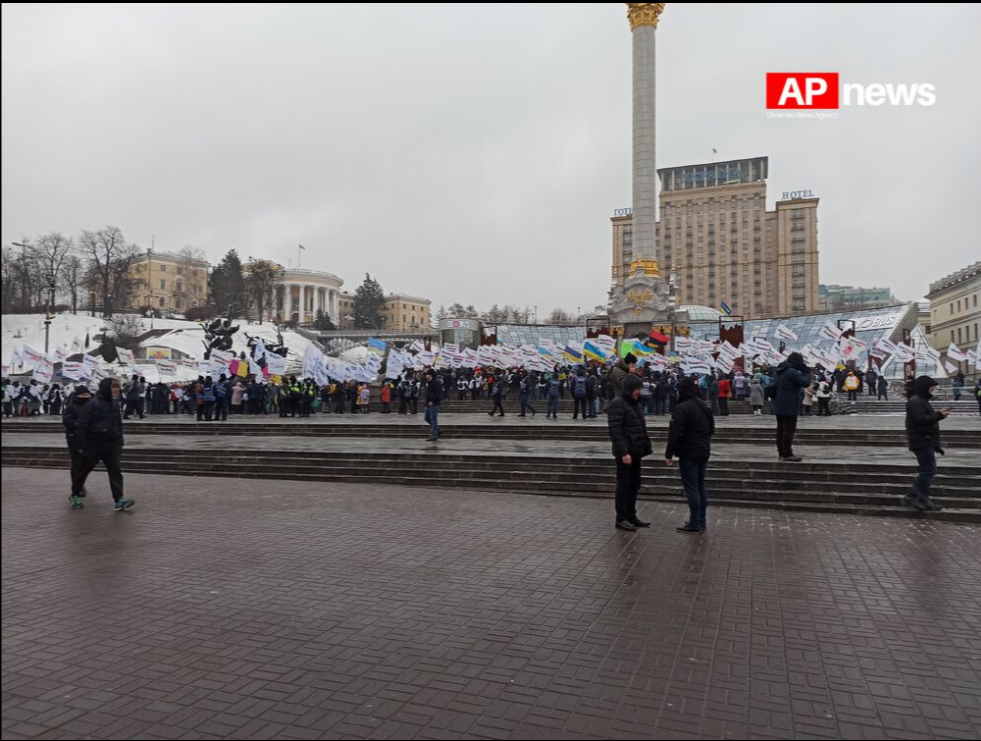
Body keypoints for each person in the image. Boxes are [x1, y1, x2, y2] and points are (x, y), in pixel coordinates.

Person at [72, 378, 133, 511]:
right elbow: (82, 426)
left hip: (111, 446)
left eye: (118, 387)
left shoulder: (115, 404)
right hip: (94, 445)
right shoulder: (93, 404)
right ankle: (75, 494)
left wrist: (119, 441)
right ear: (106, 388)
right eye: (114, 387)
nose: (117, 389)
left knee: (115, 472)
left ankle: (119, 499)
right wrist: (82, 447)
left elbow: (118, 424)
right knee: (83, 472)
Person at [665, 377, 715, 533]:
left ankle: (695, 522)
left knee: (692, 488)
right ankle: (701, 520)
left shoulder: (682, 408)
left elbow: (676, 434)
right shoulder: (704, 405)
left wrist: (669, 454)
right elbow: (711, 428)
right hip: (703, 450)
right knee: (700, 486)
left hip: (688, 452)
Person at [606, 375, 652, 532]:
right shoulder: (617, 404)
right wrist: (623, 452)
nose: (639, 392)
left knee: (634, 484)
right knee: (624, 486)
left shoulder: (634, 404)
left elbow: (639, 427)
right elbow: (615, 430)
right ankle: (621, 518)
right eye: (637, 389)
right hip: (626, 454)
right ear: (630, 389)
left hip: (636, 452)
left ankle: (631, 515)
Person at [903, 375, 950, 512]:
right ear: (925, 388)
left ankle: (924, 499)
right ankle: (912, 496)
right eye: (931, 388)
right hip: (921, 441)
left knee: (928, 470)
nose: (933, 390)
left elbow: (928, 422)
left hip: (926, 441)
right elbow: (921, 420)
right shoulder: (915, 402)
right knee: (928, 471)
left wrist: (936, 445)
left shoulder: (922, 401)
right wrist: (939, 415)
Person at [773, 352, 812, 462]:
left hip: (778, 404)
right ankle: (787, 454)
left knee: (780, 429)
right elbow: (805, 383)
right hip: (789, 404)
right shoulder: (791, 372)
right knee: (789, 429)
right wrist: (806, 372)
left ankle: (781, 453)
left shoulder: (779, 371)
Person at [62, 385, 91, 509]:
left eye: (87, 395)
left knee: (86, 463)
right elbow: (67, 421)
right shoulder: (71, 407)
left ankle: (80, 483)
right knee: (77, 463)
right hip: (74, 438)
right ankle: (77, 487)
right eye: (83, 395)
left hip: (88, 439)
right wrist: (79, 423)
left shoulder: (91, 406)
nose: (85, 397)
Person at [425, 369, 442, 441]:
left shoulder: (437, 382)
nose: (426, 375)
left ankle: (434, 436)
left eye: (427, 374)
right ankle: (437, 429)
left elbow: (438, 393)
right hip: (428, 404)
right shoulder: (429, 382)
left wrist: (432, 401)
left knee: (433, 420)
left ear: (430, 375)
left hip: (434, 404)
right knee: (427, 418)